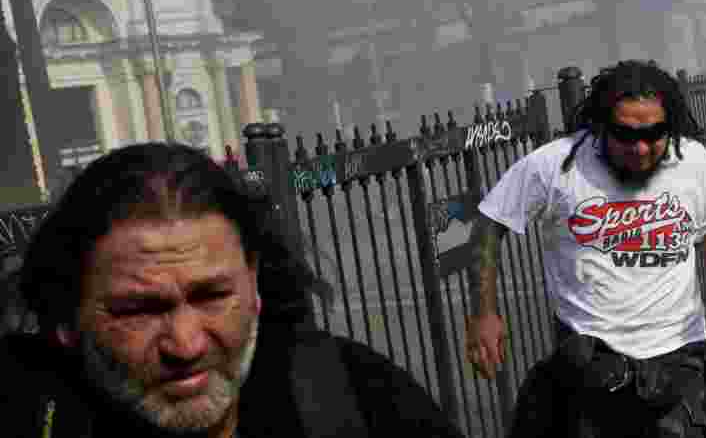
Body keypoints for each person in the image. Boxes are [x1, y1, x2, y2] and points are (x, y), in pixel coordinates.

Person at [1, 142, 464, 438]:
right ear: (66, 319)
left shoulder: (357, 401)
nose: (186, 344)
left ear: (255, 285)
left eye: (212, 297)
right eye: (139, 309)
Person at [465, 59, 706, 438]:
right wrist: (483, 314)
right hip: (591, 367)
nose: (640, 148)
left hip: (678, 360)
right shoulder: (556, 165)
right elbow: (490, 223)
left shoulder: (692, 162)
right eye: (625, 134)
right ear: (602, 125)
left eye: (655, 134)